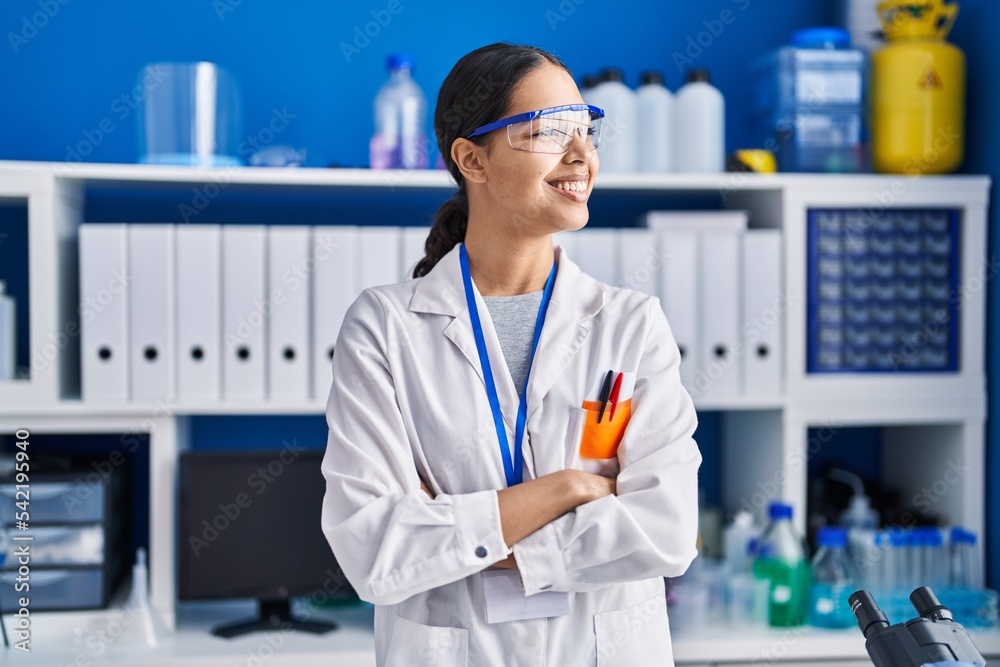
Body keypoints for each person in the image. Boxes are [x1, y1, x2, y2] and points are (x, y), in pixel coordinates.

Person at [320, 42, 701, 667]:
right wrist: (568, 490)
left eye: (587, 130)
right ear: (473, 159)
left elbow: (666, 530)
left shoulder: (631, 324)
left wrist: (449, 526)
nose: (582, 156)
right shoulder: (385, 327)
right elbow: (374, 552)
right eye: (552, 132)